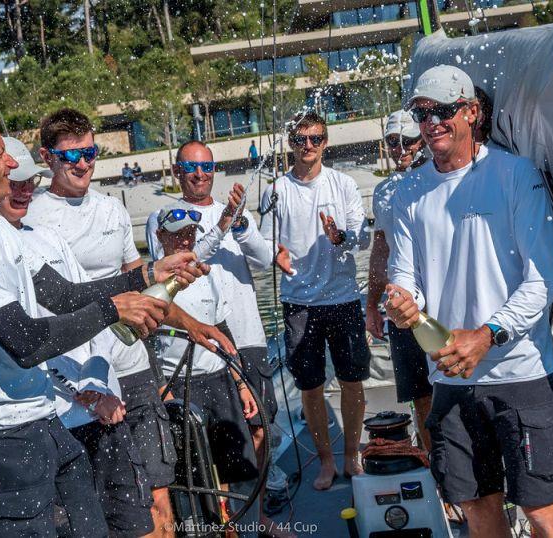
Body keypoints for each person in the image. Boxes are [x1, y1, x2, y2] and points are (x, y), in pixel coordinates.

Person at [0, 110, 204, 536]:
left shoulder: (2, 230)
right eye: (0, 155)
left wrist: (147, 275)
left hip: (42, 423)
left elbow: (63, 296)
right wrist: (114, 310)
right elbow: (26, 341)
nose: (13, 164)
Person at [385, 65, 553, 536]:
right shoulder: (407, 192)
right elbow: (404, 274)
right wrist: (401, 301)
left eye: (444, 111)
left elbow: (542, 280)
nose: (431, 122)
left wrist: (487, 335)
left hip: (521, 374)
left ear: (471, 112)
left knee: (545, 514)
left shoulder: (515, 174)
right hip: (450, 379)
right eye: (421, 112)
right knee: (478, 509)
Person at [24, 108, 230, 537]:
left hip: (132, 363)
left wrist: (193, 325)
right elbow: (54, 304)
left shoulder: (112, 209)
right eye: (70, 156)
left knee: (157, 491)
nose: (83, 164)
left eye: (90, 152)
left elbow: (143, 287)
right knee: (99, 507)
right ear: (47, 158)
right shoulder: (32, 218)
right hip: (77, 376)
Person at [0, 136, 154, 537]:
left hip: (107, 408)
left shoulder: (46, 239)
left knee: (135, 523)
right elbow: (25, 342)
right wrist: (83, 393)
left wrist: (98, 383)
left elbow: (86, 304)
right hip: (60, 422)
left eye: (29, 180)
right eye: (13, 181)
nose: (23, 189)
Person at [145, 140, 287, 536]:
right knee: (202, 448)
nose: (200, 174)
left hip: (243, 334)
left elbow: (265, 259)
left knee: (259, 428)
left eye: (207, 167)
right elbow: (181, 264)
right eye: (190, 167)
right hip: (198, 349)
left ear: (215, 170)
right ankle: (224, 525)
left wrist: (239, 223)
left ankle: (258, 521)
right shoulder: (164, 215)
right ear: (177, 171)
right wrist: (223, 220)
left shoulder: (237, 215)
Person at [228, 111, 372, 490]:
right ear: (290, 143)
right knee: (310, 387)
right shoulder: (276, 190)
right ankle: (326, 461)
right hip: (299, 304)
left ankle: (351, 454)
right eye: (301, 139)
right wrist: (245, 228)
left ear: (326, 142)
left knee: (352, 381)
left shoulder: (343, 184)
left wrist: (340, 237)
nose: (308, 146)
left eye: (316, 139)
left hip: (343, 300)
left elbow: (363, 237)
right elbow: (260, 249)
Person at [154, 201, 259, 492]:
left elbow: (222, 332)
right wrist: (165, 391)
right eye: (177, 234)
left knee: (239, 470)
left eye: (190, 234)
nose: (185, 240)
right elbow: (145, 346)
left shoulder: (205, 275)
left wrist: (241, 384)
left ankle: (246, 527)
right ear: (161, 236)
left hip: (219, 380)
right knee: (195, 477)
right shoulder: (150, 283)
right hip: (181, 387)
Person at [366, 109, 432, 450]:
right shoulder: (383, 191)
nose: (401, 148)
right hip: (401, 301)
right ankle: (435, 467)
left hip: (438, 301)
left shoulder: (438, 177)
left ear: (422, 138)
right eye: (393, 142)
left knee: (453, 387)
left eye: (408, 141)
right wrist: (371, 307)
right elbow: (380, 252)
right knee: (418, 392)